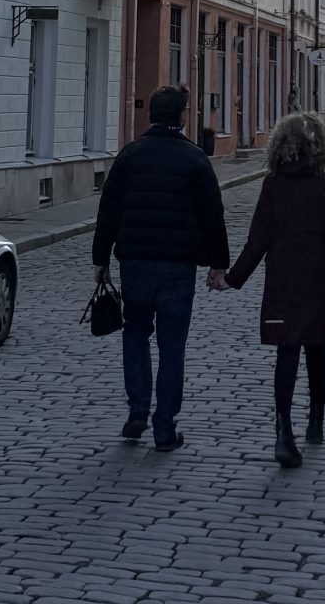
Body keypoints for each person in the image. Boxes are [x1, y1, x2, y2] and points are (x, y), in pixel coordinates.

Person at [217, 110, 325, 468]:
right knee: (316, 349)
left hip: (282, 280)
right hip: (317, 281)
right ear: (319, 146)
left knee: (287, 352)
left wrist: (232, 278)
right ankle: (315, 421)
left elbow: (257, 240)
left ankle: (283, 429)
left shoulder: (273, 185)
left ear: (281, 145)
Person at [92, 84, 229, 450]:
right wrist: (219, 264)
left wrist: (100, 259)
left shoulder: (130, 155)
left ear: (151, 115)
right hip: (176, 266)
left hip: (134, 261)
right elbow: (213, 216)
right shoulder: (195, 159)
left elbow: (109, 210)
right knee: (172, 345)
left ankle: (137, 411)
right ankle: (164, 428)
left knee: (135, 334)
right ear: (181, 116)